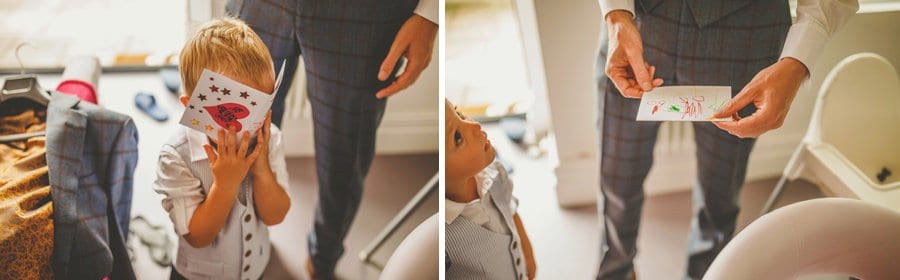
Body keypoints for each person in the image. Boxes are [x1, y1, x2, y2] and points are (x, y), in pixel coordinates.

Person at [594, 0, 858, 279]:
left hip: (745, 36)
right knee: (617, 181)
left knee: (719, 197)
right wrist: (616, 14)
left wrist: (797, 62)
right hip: (638, 25)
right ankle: (616, 271)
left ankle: (706, 275)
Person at [226, 1, 437, 278]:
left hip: (366, 14)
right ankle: (245, 237)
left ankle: (322, 258)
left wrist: (431, 15)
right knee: (236, 129)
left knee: (345, 152)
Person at [153, 18, 291, 280]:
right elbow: (197, 237)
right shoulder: (176, 156)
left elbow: (276, 216)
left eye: (262, 108)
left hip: (255, 268)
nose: (252, 125)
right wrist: (225, 184)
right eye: (236, 112)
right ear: (192, 106)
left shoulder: (269, 137)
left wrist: (261, 169)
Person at [444, 99, 536, 280]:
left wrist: (528, 257)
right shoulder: (443, 238)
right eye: (458, 137)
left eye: (460, 113)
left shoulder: (495, 173)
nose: (475, 125)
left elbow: (511, 212)